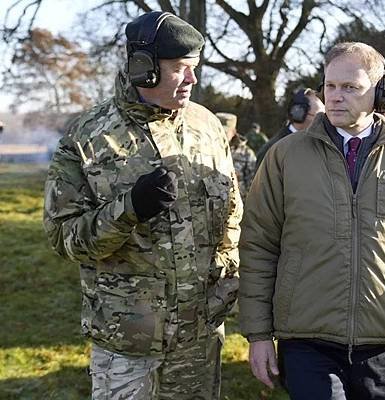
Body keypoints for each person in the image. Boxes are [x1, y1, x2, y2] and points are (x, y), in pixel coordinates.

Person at [239, 41, 385, 399]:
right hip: (306, 339)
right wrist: (259, 334)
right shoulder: (284, 157)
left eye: (350, 87)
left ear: (380, 93)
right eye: (330, 86)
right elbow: (258, 245)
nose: (335, 97)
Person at [43, 11, 242, 399]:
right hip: (129, 348)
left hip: (199, 339)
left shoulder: (208, 127)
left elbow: (232, 212)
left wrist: (225, 285)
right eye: (181, 68)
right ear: (144, 68)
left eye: (194, 68)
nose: (193, 80)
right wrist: (128, 209)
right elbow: (63, 237)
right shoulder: (88, 137)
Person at [255, 88, 324, 167]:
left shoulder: (318, 146)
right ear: (299, 114)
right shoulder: (272, 151)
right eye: (319, 116)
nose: (323, 121)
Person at [217, 112, 256, 201]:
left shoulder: (247, 154)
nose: (221, 134)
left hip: (236, 206)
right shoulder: (205, 149)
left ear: (234, 132)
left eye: (225, 131)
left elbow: (254, 185)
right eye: (218, 130)